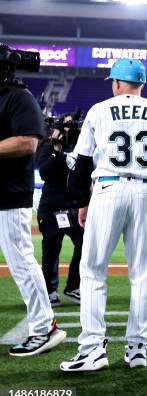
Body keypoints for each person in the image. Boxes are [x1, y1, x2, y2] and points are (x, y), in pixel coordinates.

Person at [59, 58, 147, 372]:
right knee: (144, 276)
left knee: (93, 272)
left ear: (117, 83)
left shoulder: (99, 110)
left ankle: (93, 348)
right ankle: (138, 349)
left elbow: (82, 164)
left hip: (108, 190)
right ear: (142, 84)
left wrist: (82, 201)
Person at [0, 53, 67, 356]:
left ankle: (44, 327)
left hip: (9, 195)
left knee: (21, 262)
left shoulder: (19, 97)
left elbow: (27, 142)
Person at [36, 113, 84, 306]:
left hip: (74, 207)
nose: (69, 128)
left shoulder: (81, 147)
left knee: (85, 244)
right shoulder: (48, 147)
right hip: (51, 208)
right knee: (51, 251)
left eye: (72, 125)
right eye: (65, 124)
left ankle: (73, 287)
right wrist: (56, 148)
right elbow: (45, 173)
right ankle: (49, 291)